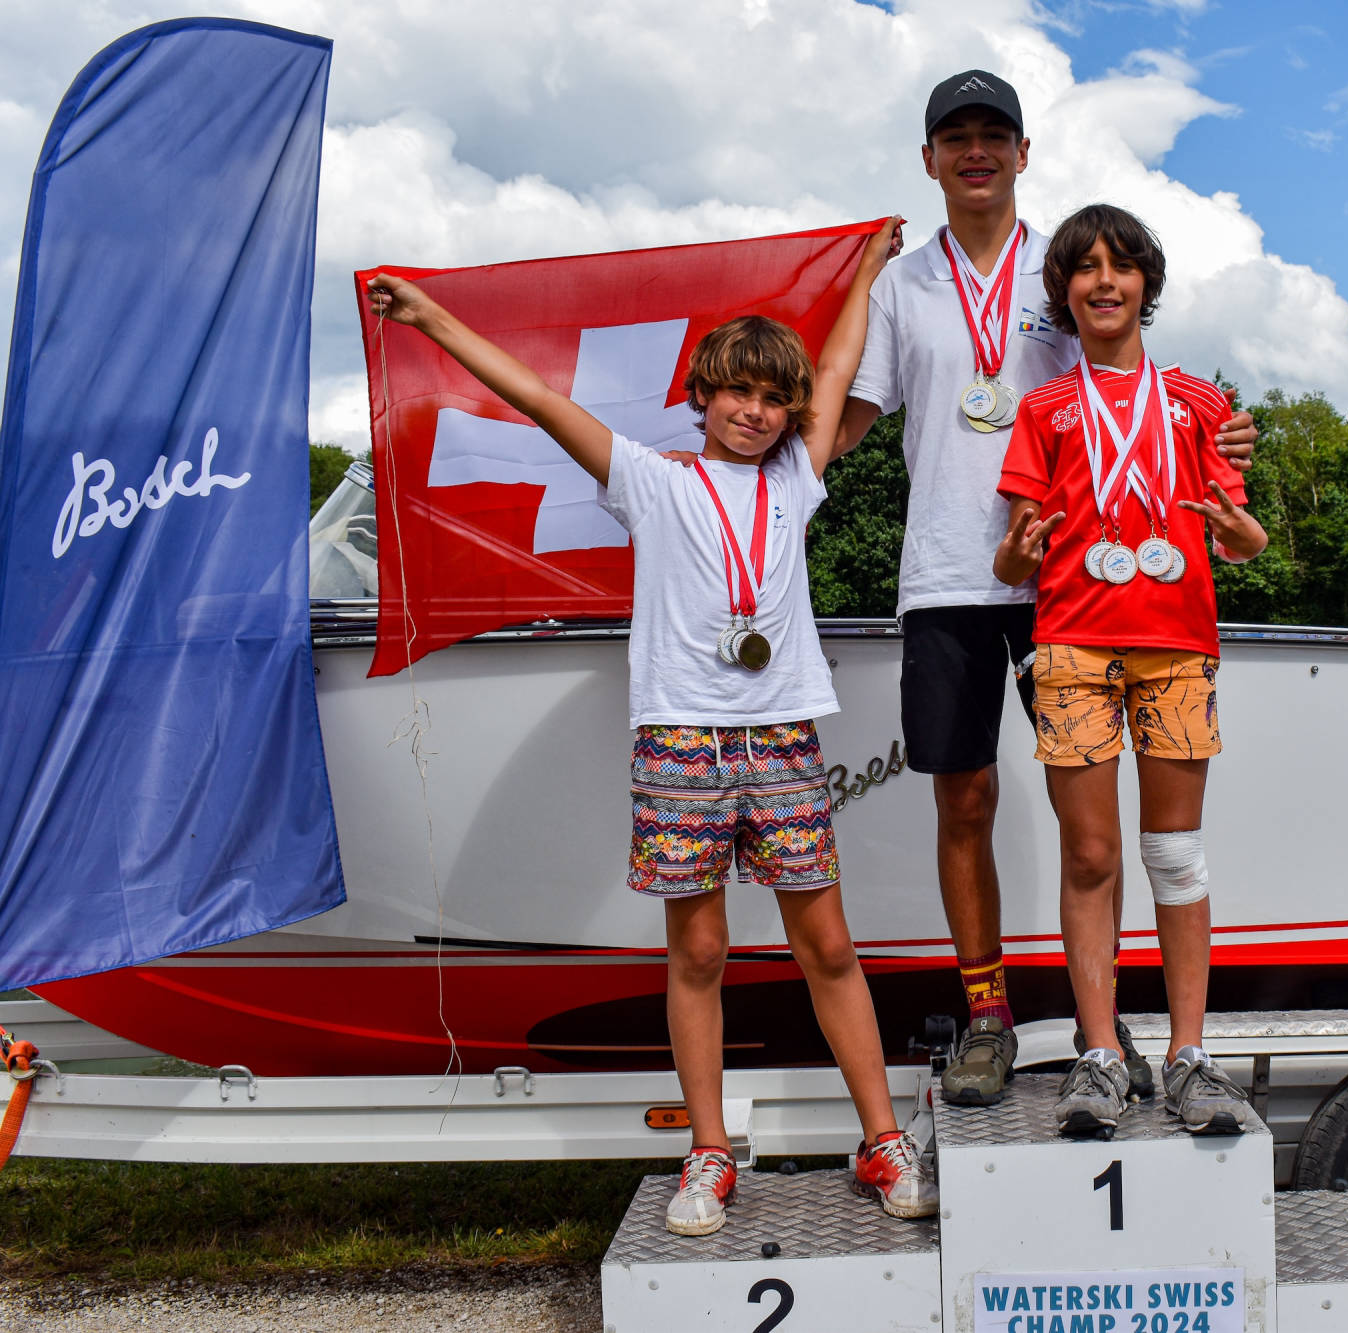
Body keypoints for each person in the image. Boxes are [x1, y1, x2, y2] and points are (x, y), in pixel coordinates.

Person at [364, 219, 936, 1234]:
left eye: (773, 399)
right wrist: (429, 317)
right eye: (737, 393)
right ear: (701, 398)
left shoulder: (795, 480)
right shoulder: (650, 479)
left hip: (780, 736)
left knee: (828, 945)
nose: (754, 412)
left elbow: (842, 362)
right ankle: (708, 1151)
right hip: (679, 739)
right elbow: (539, 399)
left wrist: (864, 272)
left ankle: (881, 1139)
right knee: (700, 951)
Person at [838, 69, 1258, 1107]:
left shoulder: (1064, 264)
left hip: (1074, 579)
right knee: (964, 797)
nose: (976, 151)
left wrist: (1222, 436)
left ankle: (1097, 1035)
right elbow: (853, 416)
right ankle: (986, 1016)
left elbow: (1131, 382)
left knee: (1096, 833)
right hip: (947, 570)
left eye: (995, 134)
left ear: (1023, 154)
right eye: (956, 137)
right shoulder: (900, 285)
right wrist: (751, 472)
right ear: (929, 159)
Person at [992, 203, 1269, 1137]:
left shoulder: (1198, 403)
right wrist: (1016, 553)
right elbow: (1013, 554)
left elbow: (1242, 538)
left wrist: (1239, 530)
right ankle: (1102, 1052)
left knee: (1175, 853)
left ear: (1147, 283)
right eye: (1085, 268)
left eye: (1121, 265)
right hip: (1071, 646)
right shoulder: (1043, 409)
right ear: (1063, 292)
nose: (1104, 281)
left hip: (1177, 644)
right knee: (1091, 855)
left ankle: (1190, 1054)